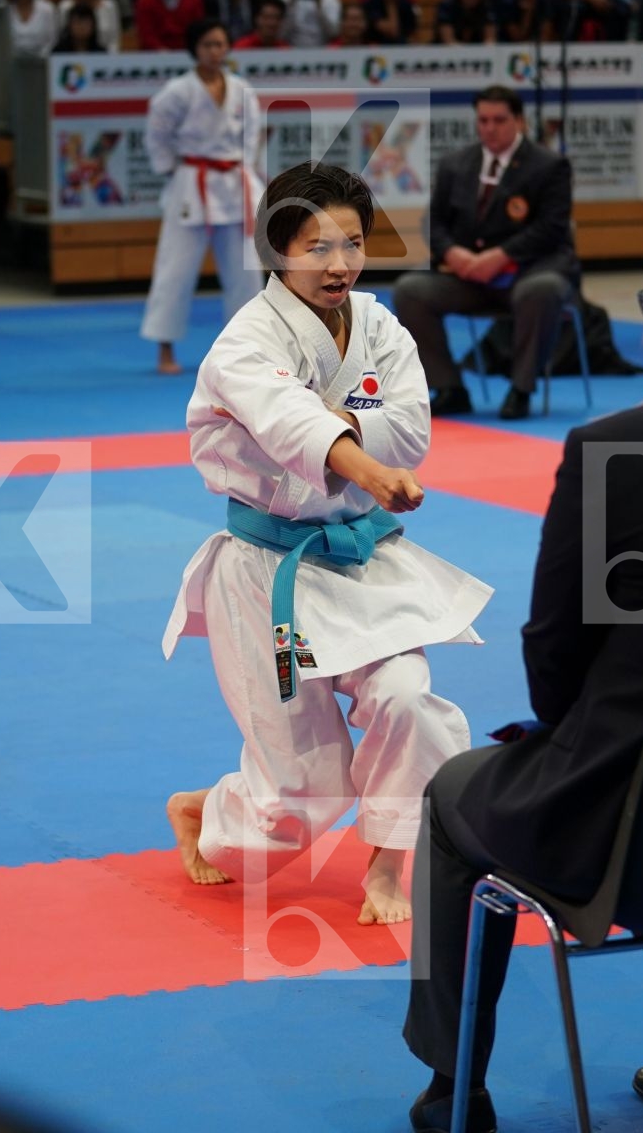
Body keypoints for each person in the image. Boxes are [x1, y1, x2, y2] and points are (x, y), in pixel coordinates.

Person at [403, 200, 643, 1133]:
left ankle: (454, 1087)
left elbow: (553, 659)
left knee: (451, 791)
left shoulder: (614, 452)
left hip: (632, 846)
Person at [161, 161, 494, 924]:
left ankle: (387, 866)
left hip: (359, 557)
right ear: (279, 252)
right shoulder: (244, 343)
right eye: (317, 247)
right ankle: (201, 812)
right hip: (265, 571)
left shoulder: (379, 325)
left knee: (409, 699)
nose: (339, 263)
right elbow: (288, 423)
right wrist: (366, 465)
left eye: (351, 243)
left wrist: (345, 437)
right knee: (297, 799)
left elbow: (413, 427)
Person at [393, 85, 579, 420]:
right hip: (472, 279)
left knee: (544, 290)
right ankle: (449, 387)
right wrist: (453, 254)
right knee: (411, 291)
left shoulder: (550, 166)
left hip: (529, 274)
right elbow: (431, 223)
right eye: (483, 120)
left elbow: (552, 228)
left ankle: (521, 389)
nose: (489, 128)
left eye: (499, 120)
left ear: (519, 121)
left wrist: (500, 256)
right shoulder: (456, 164)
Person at [139, 19, 264, 374]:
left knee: (246, 273)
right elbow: (157, 134)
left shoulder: (242, 90)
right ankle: (165, 349)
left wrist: (248, 168)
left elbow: (252, 136)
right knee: (175, 269)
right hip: (192, 183)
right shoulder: (177, 92)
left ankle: (248, 353)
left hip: (234, 182)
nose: (215, 52)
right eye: (208, 45)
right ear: (195, 48)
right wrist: (170, 169)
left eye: (220, 44)